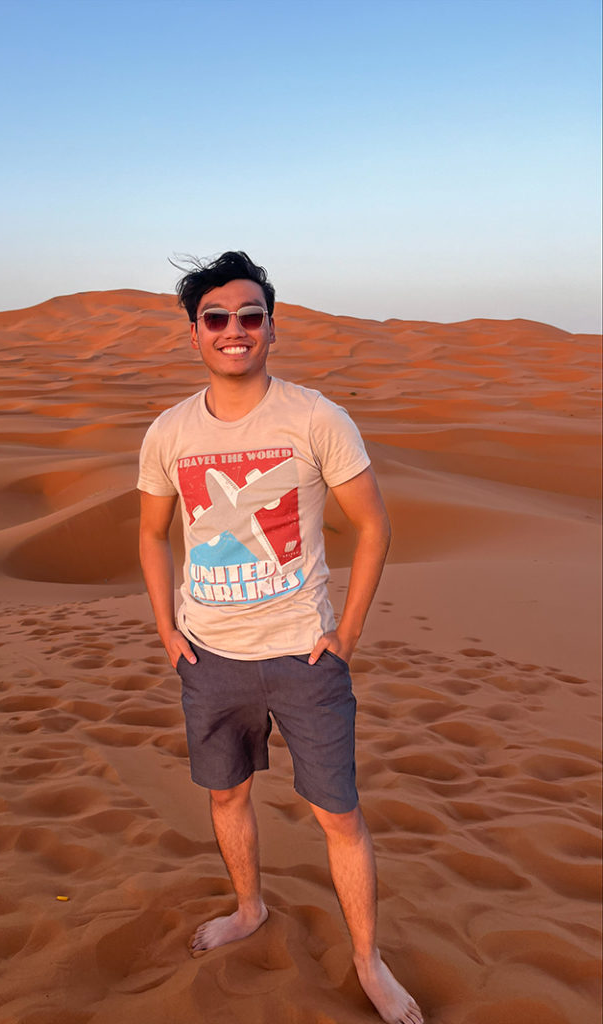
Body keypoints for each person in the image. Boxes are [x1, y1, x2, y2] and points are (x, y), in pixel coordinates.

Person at [137, 251, 423, 1024]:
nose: (235, 331)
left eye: (251, 316)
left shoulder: (315, 417)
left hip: (305, 656)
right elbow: (152, 533)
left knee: (339, 813)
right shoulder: (169, 432)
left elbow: (372, 527)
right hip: (210, 656)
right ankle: (250, 907)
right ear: (194, 333)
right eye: (217, 318)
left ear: (271, 326)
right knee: (227, 793)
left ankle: (368, 960)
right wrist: (166, 626)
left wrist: (348, 632)